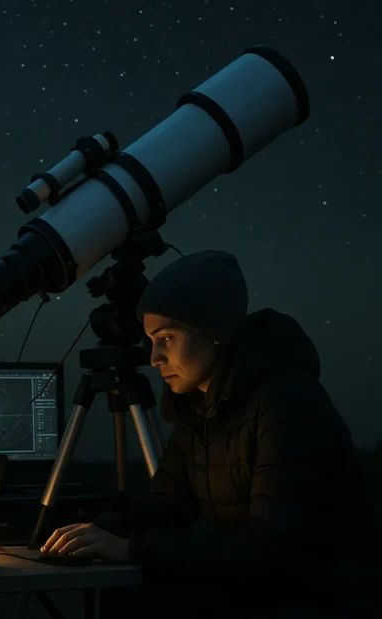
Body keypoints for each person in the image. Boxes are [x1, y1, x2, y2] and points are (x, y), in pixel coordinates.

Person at [41, 250, 378, 618]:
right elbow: (168, 505)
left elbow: (271, 550)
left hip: (320, 596)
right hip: (257, 587)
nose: (154, 358)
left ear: (215, 332)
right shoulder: (201, 405)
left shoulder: (287, 404)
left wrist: (130, 550)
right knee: (125, 595)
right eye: (151, 341)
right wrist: (94, 533)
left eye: (166, 338)